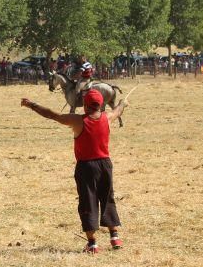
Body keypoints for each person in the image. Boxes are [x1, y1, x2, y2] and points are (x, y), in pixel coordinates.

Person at [20, 90, 128, 254]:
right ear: (100, 105)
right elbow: (118, 110)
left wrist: (31, 105)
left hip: (86, 167)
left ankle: (92, 243)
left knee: (88, 201)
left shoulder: (78, 120)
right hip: (105, 164)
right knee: (107, 197)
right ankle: (115, 237)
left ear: (85, 105)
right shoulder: (107, 117)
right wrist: (122, 103)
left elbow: (51, 115)